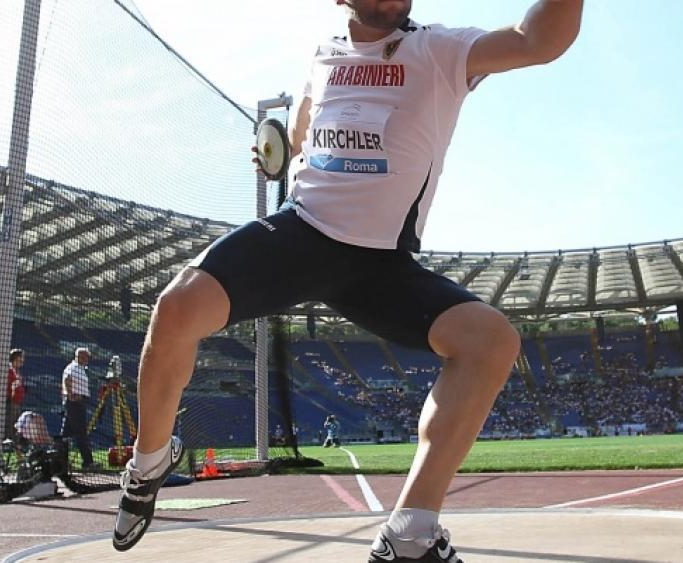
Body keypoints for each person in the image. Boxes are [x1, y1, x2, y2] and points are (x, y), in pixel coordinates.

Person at [112, 0, 584, 558]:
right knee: (176, 309)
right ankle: (149, 461)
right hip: (302, 234)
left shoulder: (440, 49)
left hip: (379, 265)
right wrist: (275, 152)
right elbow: (302, 139)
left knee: (492, 340)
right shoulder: (322, 58)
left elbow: (538, 40)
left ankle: (411, 531)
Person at [61, 347, 96, 470]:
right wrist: (71, 395)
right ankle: (88, 462)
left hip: (76, 402)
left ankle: (62, 462)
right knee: (81, 433)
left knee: (66, 434)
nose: (88, 359)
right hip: (75, 403)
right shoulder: (74, 368)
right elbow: (67, 379)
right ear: (80, 356)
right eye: (86, 357)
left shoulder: (80, 368)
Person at [5, 349, 25, 440]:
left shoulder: (17, 371)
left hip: (17, 402)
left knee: (17, 425)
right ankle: (8, 442)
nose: (22, 360)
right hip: (11, 402)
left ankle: (15, 445)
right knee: (11, 424)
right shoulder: (9, 370)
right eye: (21, 357)